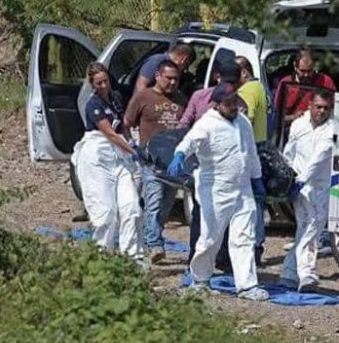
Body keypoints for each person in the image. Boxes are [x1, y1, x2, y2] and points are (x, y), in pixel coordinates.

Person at [168, 82, 269, 301]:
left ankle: (247, 285)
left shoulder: (243, 122)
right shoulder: (207, 124)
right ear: (218, 104)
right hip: (215, 191)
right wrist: (179, 156)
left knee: (244, 237)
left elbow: (250, 153)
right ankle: (200, 279)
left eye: (236, 102)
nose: (234, 107)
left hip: (243, 189)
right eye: (229, 103)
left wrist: (257, 178)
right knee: (210, 238)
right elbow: (188, 143)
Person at [72, 62, 144, 259]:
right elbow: (110, 133)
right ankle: (103, 256)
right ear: (92, 85)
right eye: (99, 83)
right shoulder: (93, 105)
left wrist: (131, 142)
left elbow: (123, 127)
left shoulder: (116, 99)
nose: (104, 85)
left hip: (119, 155)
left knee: (131, 208)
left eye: (106, 81)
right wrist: (133, 151)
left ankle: (133, 258)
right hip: (98, 156)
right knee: (106, 214)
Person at [180, 60, 245, 273]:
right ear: (217, 77)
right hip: (204, 167)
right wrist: (181, 153)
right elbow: (185, 124)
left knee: (230, 222)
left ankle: (224, 261)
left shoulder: (239, 104)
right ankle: (196, 265)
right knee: (203, 220)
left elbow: (244, 137)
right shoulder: (201, 98)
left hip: (231, 170)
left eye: (234, 83)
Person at [130, 60, 187, 264]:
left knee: (166, 205)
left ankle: (151, 237)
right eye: (168, 78)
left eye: (176, 79)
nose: (172, 82)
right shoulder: (143, 97)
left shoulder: (181, 99)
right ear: (157, 76)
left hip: (171, 164)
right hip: (150, 162)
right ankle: (153, 244)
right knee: (153, 202)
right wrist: (135, 148)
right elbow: (127, 122)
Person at [279, 90, 335, 292]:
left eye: (326, 108)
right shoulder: (298, 125)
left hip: (319, 187)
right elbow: (289, 152)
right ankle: (307, 275)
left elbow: (320, 157)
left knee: (308, 229)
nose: (321, 111)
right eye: (318, 106)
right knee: (309, 228)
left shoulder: (332, 129)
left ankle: (289, 273)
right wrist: (287, 177)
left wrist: (301, 180)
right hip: (299, 186)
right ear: (310, 105)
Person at [234, 56, 272, 265]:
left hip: (250, 150)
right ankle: (256, 245)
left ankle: (253, 247)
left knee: (250, 203)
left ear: (244, 72)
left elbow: (245, 119)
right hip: (261, 146)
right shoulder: (260, 87)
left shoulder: (247, 91)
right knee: (256, 200)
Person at [124, 44, 195, 129]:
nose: (184, 70)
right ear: (184, 59)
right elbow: (141, 85)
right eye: (186, 66)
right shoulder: (158, 61)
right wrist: (143, 112)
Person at [273, 49, 336, 125]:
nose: (306, 75)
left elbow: (335, 109)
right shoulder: (285, 83)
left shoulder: (325, 81)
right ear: (295, 67)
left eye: (309, 71)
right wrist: (293, 117)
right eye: (302, 71)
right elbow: (276, 115)